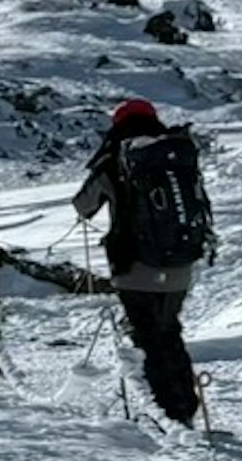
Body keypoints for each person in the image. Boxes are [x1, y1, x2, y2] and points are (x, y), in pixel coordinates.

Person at [72, 94, 215, 424]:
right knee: (169, 331)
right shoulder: (175, 153)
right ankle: (185, 409)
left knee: (145, 337)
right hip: (180, 264)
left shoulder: (116, 158)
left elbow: (83, 204)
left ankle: (163, 415)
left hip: (135, 266)